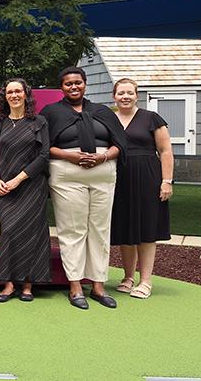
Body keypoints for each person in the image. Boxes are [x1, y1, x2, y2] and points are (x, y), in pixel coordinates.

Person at [41, 66, 127, 310]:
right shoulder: (51, 112)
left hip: (103, 173)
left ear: (85, 84)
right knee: (73, 230)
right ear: (62, 88)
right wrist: (71, 157)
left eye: (78, 82)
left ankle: (98, 284)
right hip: (68, 175)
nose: (74, 87)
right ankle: (76, 285)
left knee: (100, 230)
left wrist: (103, 157)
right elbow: (43, 146)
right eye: (68, 84)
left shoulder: (102, 111)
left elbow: (119, 143)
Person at [0, 78, 50, 303]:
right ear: (5, 96)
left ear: (26, 95)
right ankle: (8, 283)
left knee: (32, 234)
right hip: (5, 188)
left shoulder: (38, 121)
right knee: (9, 232)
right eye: (10, 92)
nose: (14, 95)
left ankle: (27, 284)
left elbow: (44, 157)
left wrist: (18, 180)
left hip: (32, 186)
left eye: (18, 91)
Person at [111, 78, 173, 300]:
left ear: (137, 95)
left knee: (146, 229)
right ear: (114, 96)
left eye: (130, 93)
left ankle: (145, 280)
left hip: (148, 177)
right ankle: (128, 277)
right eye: (121, 93)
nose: (125, 96)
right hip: (119, 179)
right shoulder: (109, 119)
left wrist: (167, 181)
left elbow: (165, 151)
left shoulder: (151, 118)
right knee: (125, 227)